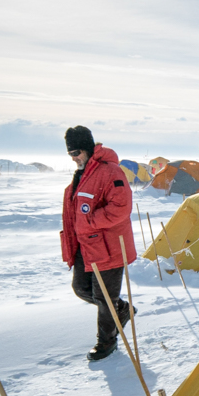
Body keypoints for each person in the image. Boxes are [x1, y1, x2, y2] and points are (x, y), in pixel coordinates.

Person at [60, 125, 137, 360]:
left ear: (87, 148)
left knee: (104, 298)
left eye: (76, 153)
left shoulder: (110, 171)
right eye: (70, 154)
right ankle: (121, 309)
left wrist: (90, 221)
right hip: (87, 245)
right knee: (81, 288)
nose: (74, 159)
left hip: (110, 246)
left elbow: (121, 207)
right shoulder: (83, 173)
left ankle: (106, 343)